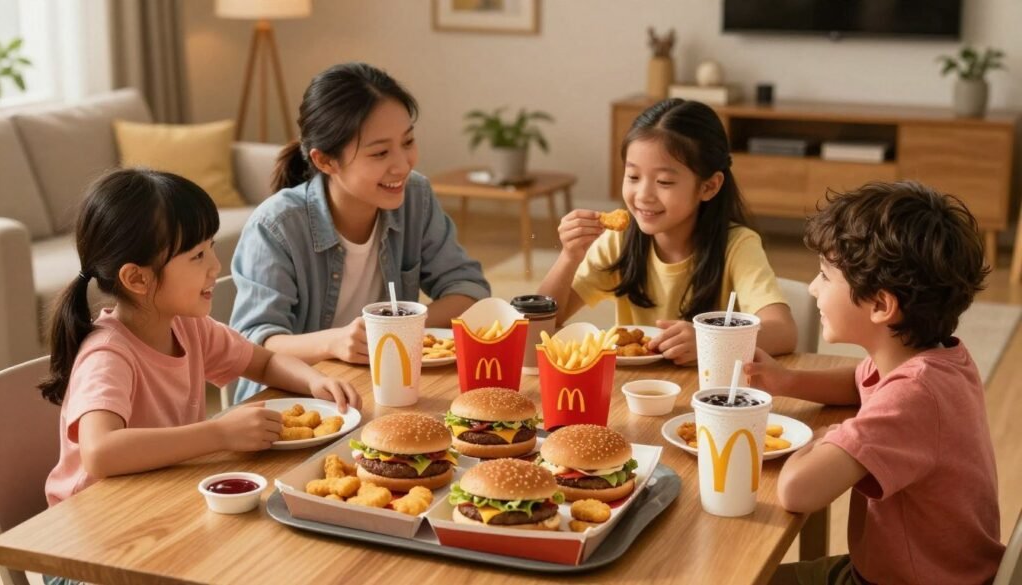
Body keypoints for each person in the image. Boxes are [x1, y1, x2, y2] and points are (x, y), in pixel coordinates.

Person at [41, 169, 361, 513]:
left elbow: (263, 361)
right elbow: (100, 452)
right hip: (90, 537)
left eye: (210, 248)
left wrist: (315, 381)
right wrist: (218, 434)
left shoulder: (189, 328)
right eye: (197, 255)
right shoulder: (107, 355)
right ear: (137, 278)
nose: (215, 265)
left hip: (159, 502)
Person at [747, 182, 1004, 585]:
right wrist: (787, 380)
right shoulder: (932, 359)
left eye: (824, 275)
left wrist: (831, 436)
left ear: (882, 306)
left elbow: (797, 491)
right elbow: (857, 383)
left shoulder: (913, 397)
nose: (813, 287)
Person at [230, 62, 489, 402]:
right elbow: (252, 343)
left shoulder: (415, 196)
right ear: (325, 162)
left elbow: (468, 289)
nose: (403, 164)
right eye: (380, 152)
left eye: (407, 141)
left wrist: (398, 330)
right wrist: (335, 341)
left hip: (382, 387)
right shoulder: (277, 226)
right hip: (295, 403)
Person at [538, 98, 796, 365]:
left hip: (710, 389)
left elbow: (784, 331)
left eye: (664, 181)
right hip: (635, 390)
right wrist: (569, 256)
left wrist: (710, 341)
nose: (643, 195)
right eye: (633, 177)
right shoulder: (619, 241)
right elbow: (543, 323)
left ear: (708, 187)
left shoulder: (738, 245)